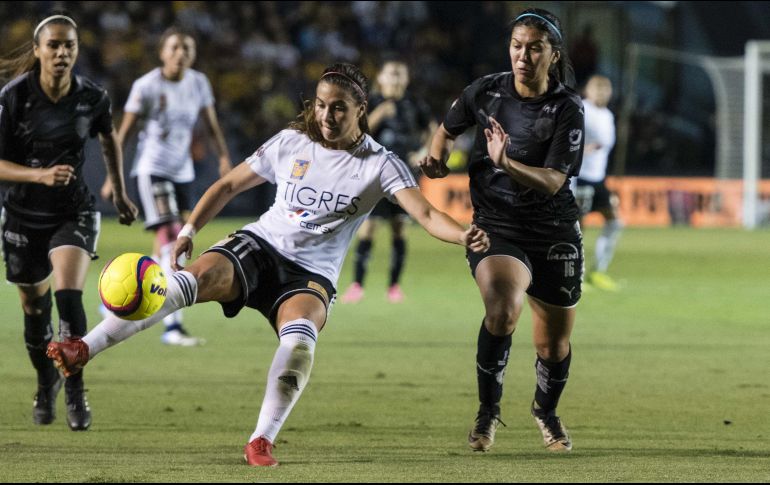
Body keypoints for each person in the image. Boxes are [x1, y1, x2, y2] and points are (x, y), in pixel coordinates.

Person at [48, 63, 490, 466]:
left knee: (299, 345)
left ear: (361, 110)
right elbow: (226, 186)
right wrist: (187, 230)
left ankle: (261, 440)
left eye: (339, 108)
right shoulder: (291, 142)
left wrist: (463, 234)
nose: (327, 116)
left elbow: (429, 215)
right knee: (184, 282)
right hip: (260, 245)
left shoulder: (379, 163)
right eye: (320, 106)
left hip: (310, 275)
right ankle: (82, 348)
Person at [420, 7, 584, 453]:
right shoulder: (486, 92)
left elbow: (553, 181)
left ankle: (545, 412)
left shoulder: (567, 108)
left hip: (553, 229)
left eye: (535, 48)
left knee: (553, 344)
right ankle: (488, 411)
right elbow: (446, 130)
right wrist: (437, 158)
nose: (523, 56)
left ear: (554, 53)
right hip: (497, 226)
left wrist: (506, 162)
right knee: (502, 310)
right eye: (516, 46)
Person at [0, 13, 138, 430]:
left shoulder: (92, 97)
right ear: (39, 50)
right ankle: (46, 384)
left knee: (68, 297)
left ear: (77, 51)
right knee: (33, 309)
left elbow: (109, 137)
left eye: (70, 46)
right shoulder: (14, 98)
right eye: (54, 45)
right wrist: (38, 174)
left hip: (73, 210)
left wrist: (119, 188)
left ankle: (76, 390)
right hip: (23, 215)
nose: (62, 52)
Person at [101, 26, 233, 346]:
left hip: (183, 172)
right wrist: (111, 177)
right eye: (174, 48)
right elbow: (124, 133)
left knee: (165, 244)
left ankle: (119, 300)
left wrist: (224, 156)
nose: (180, 54)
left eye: (187, 48)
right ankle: (171, 325)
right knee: (174, 238)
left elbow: (210, 122)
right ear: (162, 53)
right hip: (152, 170)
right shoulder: (145, 86)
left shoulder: (198, 83)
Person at [340, 58, 435, 304]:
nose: (395, 78)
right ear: (380, 78)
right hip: (374, 174)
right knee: (368, 228)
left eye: (399, 73)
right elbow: (356, 134)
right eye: (391, 73)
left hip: (404, 174)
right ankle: (357, 284)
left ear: (406, 78)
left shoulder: (415, 103)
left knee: (399, 229)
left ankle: (394, 286)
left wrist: (424, 151)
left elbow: (434, 129)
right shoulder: (369, 103)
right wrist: (381, 114)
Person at [573, 74, 622, 291]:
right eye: (598, 89)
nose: (602, 93)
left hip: (598, 179)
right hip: (579, 177)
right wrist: (582, 150)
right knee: (578, 227)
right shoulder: (580, 110)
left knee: (614, 223)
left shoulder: (608, 116)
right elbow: (566, 139)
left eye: (606, 90)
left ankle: (598, 272)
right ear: (588, 91)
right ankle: (576, 275)